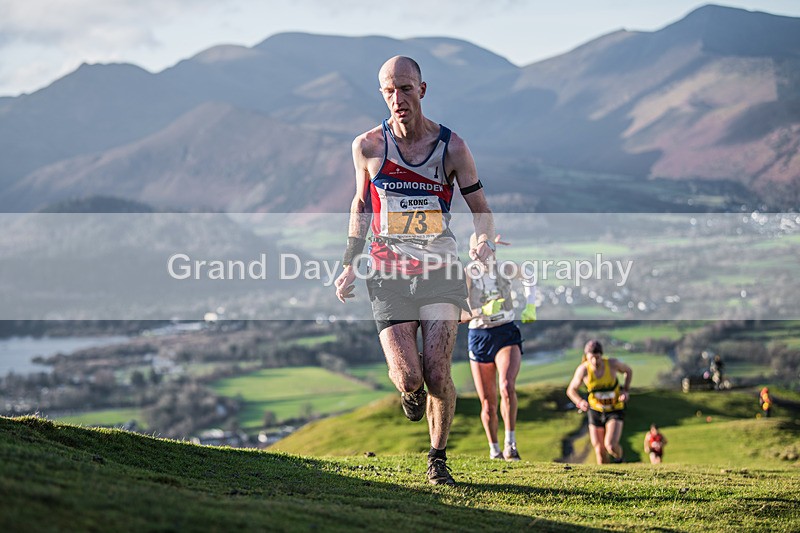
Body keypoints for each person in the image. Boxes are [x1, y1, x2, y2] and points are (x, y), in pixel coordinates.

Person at [334, 56, 495, 486]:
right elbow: (361, 204)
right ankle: (410, 391)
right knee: (409, 375)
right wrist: (350, 261)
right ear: (381, 94)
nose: (398, 98)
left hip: (439, 269)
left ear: (422, 90)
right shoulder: (367, 146)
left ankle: (437, 459)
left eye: (405, 88)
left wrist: (483, 242)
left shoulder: (452, 147)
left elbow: (481, 209)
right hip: (387, 272)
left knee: (438, 374)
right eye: (389, 91)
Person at [462, 234, 537, 461]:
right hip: (480, 335)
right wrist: (481, 311)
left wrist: (530, 305)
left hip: (505, 331)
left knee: (506, 386)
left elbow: (529, 274)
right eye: (480, 252)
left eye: (489, 251)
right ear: (472, 253)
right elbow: (459, 314)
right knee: (488, 404)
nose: (486, 257)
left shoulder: (504, 268)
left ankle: (510, 445)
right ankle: (494, 450)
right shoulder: (467, 275)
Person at [566, 340, 632, 464]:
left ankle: (620, 461)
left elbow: (628, 371)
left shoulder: (612, 364)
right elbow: (571, 390)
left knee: (610, 445)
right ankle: (606, 474)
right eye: (591, 358)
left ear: (601, 355)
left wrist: (625, 390)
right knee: (599, 450)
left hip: (614, 408)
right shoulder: (583, 370)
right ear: (586, 357)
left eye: (597, 357)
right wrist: (580, 402)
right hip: (595, 410)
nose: (595, 361)